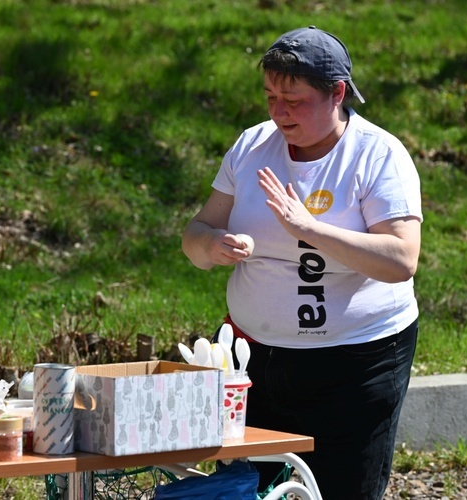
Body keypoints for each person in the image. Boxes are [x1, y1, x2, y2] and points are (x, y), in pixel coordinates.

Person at [181, 26, 422, 500]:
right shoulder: (252, 146)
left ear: (337, 93)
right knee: (246, 488)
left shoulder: (377, 155)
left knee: (340, 490)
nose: (278, 112)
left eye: (293, 99)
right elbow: (195, 233)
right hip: (255, 357)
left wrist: (308, 228)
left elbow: (401, 260)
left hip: (355, 363)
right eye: (270, 96)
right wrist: (212, 246)